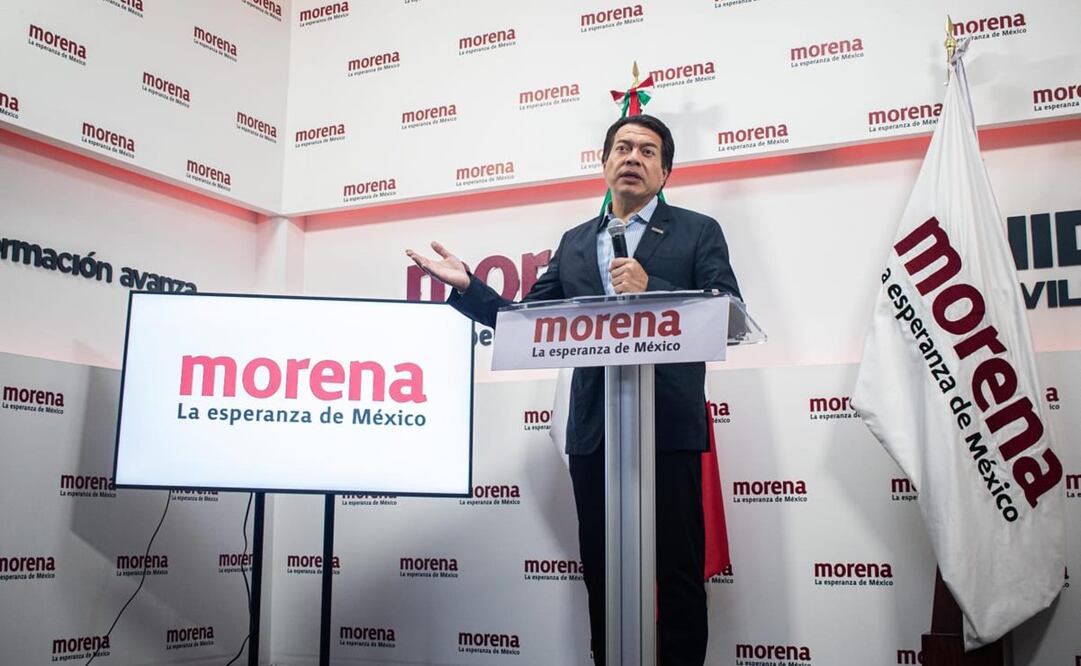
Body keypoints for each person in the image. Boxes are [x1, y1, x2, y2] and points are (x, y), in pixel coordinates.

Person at [406, 114, 741, 666]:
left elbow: (725, 307)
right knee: (605, 574)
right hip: (596, 431)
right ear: (604, 162)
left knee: (678, 574)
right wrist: (470, 286)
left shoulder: (698, 231)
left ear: (666, 171)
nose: (633, 157)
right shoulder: (577, 241)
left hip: (669, 427)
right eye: (623, 148)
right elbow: (528, 318)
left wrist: (652, 287)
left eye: (648, 151)